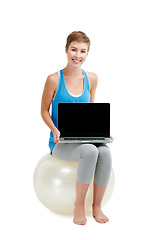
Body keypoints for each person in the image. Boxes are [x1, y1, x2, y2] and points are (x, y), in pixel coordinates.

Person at [41, 31, 113, 225]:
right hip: (60, 141)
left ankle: (96, 207)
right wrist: (55, 130)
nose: (77, 55)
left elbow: (89, 112)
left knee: (105, 152)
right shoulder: (54, 79)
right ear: (66, 50)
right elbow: (43, 111)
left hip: (83, 137)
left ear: (87, 54)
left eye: (83, 51)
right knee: (90, 151)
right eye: (74, 49)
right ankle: (79, 206)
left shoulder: (92, 79)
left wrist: (101, 131)